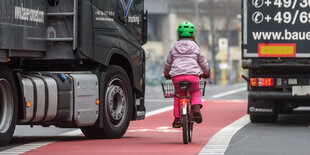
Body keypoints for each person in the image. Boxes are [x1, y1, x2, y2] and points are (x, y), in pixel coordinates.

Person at [163, 21, 210, 128]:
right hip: (192, 76)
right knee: (195, 91)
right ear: (193, 34)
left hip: (177, 77)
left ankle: (177, 118)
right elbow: (203, 62)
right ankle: (196, 109)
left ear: (178, 34)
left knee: (178, 95)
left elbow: (168, 64)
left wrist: (166, 74)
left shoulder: (174, 47)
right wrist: (206, 73)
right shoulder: (195, 47)